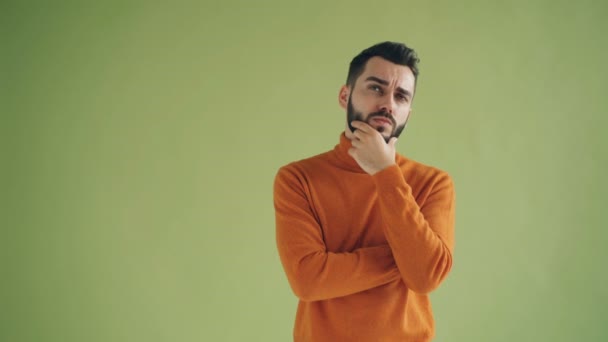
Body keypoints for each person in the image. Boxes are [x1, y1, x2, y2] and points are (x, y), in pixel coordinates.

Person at [273, 41, 456, 341]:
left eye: (400, 96)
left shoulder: (433, 183)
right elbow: (307, 280)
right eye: (376, 88)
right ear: (345, 96)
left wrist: (386, 173)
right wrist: (403, 258)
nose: (388, 103)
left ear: (408, 112)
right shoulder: (298, 178)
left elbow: (425, 276)